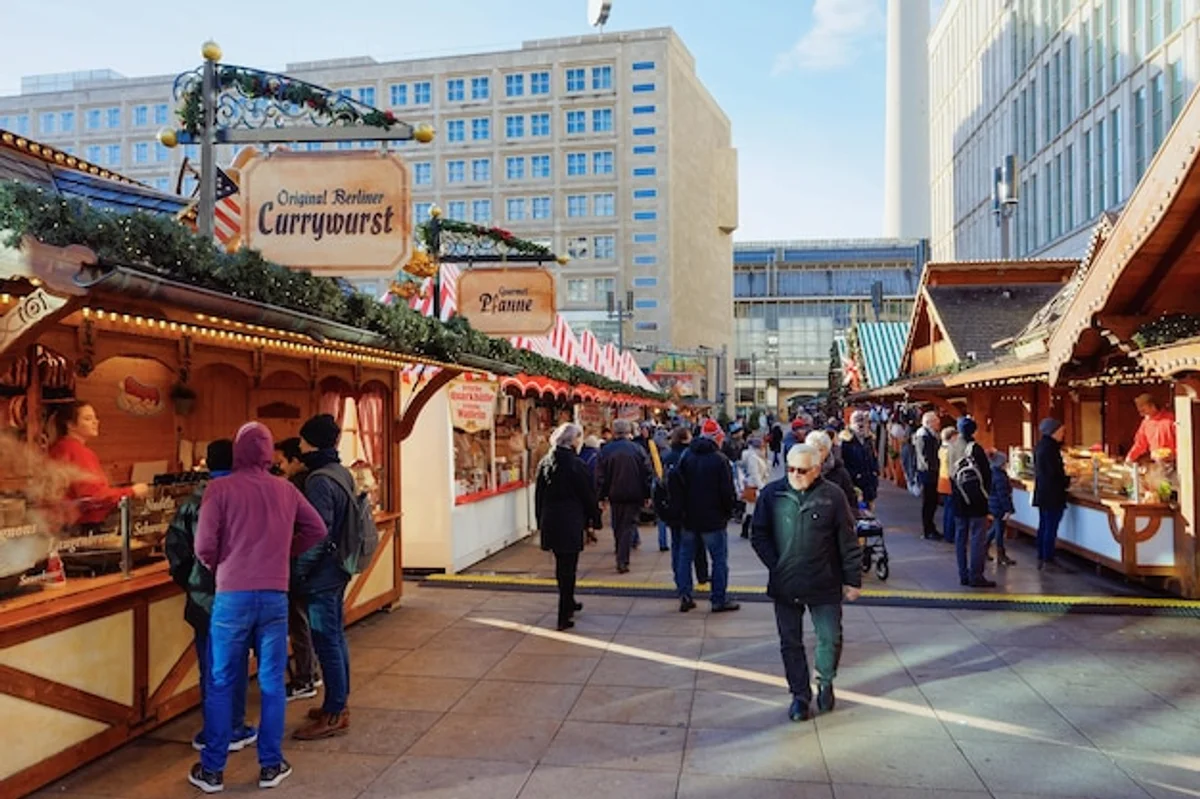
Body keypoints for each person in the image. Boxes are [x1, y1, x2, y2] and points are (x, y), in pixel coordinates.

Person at [189, 422, 327, 793]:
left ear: (237, 451)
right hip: (274, 597)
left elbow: (203, 545)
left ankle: (213, 769)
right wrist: (285, 554)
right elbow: (317, 530)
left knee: (220, 682)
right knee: (271, 684)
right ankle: (270, 764)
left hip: (231, 597)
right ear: (268, 453)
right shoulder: (285, 489)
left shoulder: (219, 489)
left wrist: (221, 564)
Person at [751, 444, 862, 722]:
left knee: (829, 637)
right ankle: (799, 695)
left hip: (824, 581)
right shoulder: (772, 494)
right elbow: (758, 533)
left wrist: (852, 580)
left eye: (802, 470)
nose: (795, 474)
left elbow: (847, 541)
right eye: (790, 469)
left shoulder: (833, 496)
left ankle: (825, 681)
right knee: (790, 642)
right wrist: (776, 564)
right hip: (786, 583)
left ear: (816, 469)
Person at [165, 440, 258, 756]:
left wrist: (193, 584)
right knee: (237, 663)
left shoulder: (192, 503)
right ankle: (236, 726)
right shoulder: (250, 499)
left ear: (207, 465)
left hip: (207, 600)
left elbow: (176, 552)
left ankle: (216, 731)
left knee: (213, 668)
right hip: (245, 596)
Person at [291, 414, 356, 741]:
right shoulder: (340, 472)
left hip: (323, 573)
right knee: (335, 637)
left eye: (303, 440)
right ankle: (337, 704)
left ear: (313, 442)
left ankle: (334, 712)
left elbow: (317, 533)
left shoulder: (318, 480)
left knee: (327, 641)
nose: (299, 447)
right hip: (339, 567)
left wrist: (298, 571)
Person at [536, 423, 601, 631]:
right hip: (570, 521)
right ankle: (564, 614)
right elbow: (587, 495)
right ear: (572, 440)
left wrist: (540, 521)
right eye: (577, 438)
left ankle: (570, 602)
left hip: (552, 520)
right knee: (568, 568)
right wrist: (595, 519)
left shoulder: (545, 462)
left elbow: (539, 497)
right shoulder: (576, 464)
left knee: (561, 566)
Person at [671, 418, 740, 613]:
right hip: (713, 519)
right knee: (718, 560)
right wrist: (728, 512)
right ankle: (718, 599)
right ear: (716, 438)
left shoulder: (686, 456)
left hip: (689, 518)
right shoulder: (719, 460)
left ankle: (685, 595)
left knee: (685, 557)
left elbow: (678, 486)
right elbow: (727, 492)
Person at [272, 437, 321, 701]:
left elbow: (309, 528)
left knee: (297, 620)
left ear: (294, 460)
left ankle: (304, 678)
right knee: (305, 619)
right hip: (310, 563)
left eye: (281, 462)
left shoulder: (295, 486)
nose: (279, 468)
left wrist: (289, 549)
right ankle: (311, 671)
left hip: (295, 564)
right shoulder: (312, 481)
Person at [49, 401, 149, 527]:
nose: (95, 422)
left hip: (58, 527)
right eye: (88, 418)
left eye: (95, 418)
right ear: (71, 425)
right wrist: (132, 491)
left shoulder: (57, 448)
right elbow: (94, 497)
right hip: (81, 527)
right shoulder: (78, 451)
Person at [597, 419, 653, 573]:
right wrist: (647, 494)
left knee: (618, 523)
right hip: (634, 492)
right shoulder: (637, 449)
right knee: (628, 525)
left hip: (615, 493)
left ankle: (619, 551)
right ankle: (622, 559)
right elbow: (647, 473)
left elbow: (601, 476)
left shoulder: (606, 450)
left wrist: (601, 496)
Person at [660, 426, 711, 583]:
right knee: (698, 545)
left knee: (678, 548)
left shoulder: (667, 457)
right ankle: (702, 574)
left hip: (674, 508)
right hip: (693, 508)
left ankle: (680, 579)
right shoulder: (692, 456)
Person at [948, 417, 995, 588]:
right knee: (977, 537)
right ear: (973, 431)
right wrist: (986, 494)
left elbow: (950, 473)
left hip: (958, 498)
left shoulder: (952, 447)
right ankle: (976, 575)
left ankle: (963, 574)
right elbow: (986, 475)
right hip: (977, 500)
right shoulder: (975, 448)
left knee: (961, 537)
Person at [1033, 418, 1069, 571]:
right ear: (1053, 432)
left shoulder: (1041, 446)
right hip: (1053, 493)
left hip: (1042, 492)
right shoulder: (1051, 449)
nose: (1062, 434)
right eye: (1061, 431)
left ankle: (1042, 554)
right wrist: (1067, 480)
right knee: (1051, 526)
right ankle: (1048, 557)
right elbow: (1054, 473)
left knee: (1044, 524)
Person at [806, 430, 857, 513]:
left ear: (827, 450)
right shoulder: (799, 470)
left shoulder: (839, 472)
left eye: (820, 449)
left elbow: (851, 500)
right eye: (813, 448)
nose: (817, 453)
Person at [840, 411, 880, 511]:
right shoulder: (845, 441)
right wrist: (853, 476)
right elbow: (842, 463)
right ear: (850, 424)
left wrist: (875, 472)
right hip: (854, 485)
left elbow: (873, 458)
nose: (860, 424)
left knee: (869, 515)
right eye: (857, 421)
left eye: (862, 421)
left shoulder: (868, 439)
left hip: (869, 485)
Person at [913, 412, 942, 540]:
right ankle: (928, 530)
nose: (938, 423)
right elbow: (924, 457)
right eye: (936, 421)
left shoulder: (929, 435)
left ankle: (931, 528)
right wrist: (933, 469)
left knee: (932, 503)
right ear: (929, 422)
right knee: (928, 503)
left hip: (930, 473)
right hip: (928, 474)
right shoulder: (923, 437)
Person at [1126, 393, 1176, 463]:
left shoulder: (1170, 419)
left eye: (1143, 410)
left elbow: (1182, 440)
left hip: (1174, 463)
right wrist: (1130, 457)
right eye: (1140, 411)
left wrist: (1175, 454)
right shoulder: (1145, 423)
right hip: (1156, 462)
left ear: (1152, 406)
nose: (1141, 414)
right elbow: (1140, 443)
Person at [987, 449, 1016, 567]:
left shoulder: (992, 473)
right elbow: (1003, 495)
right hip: (999, 507)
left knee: (995, 527)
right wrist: (1009, 509)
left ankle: (984, 546)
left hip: (993, 505)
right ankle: (1001, 554)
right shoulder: (1000, 477)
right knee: (999, 530)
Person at [739, 434, 770, 538]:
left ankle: (747, 530)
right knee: (752, 510)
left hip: (757, 486)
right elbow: (755, 474)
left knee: (752, 510)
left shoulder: (758, 456)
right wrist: (762, 487)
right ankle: (747, 530)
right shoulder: (753, 457)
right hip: (754, 487)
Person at [938, 427, 959, 544]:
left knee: (947, 509)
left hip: (944, 483)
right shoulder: (950, 450)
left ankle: (947, 533)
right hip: (950, 483)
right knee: (951, 510)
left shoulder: (942, 448)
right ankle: (950, 535)